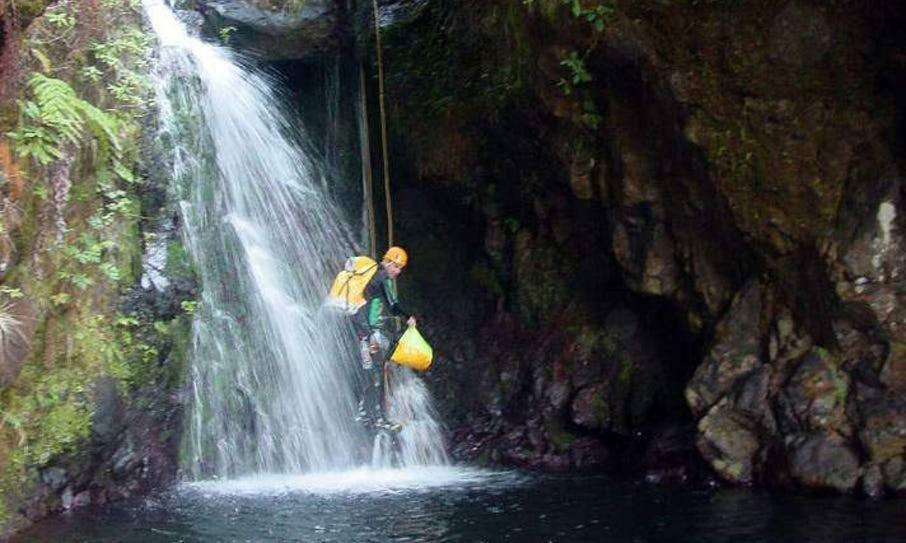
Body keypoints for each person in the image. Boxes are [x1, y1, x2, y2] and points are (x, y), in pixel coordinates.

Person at [355, 246, 416, 431]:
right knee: (378, 371)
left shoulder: (372, 276)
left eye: (400, 269)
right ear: (388, 262)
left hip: (361, 330)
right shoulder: (383, 278)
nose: (398, 272)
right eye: (396, 267)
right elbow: (393, 305)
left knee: (373, 371)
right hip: (369, 332)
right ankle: (379, 417)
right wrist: (408, 318)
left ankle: (365, 413)